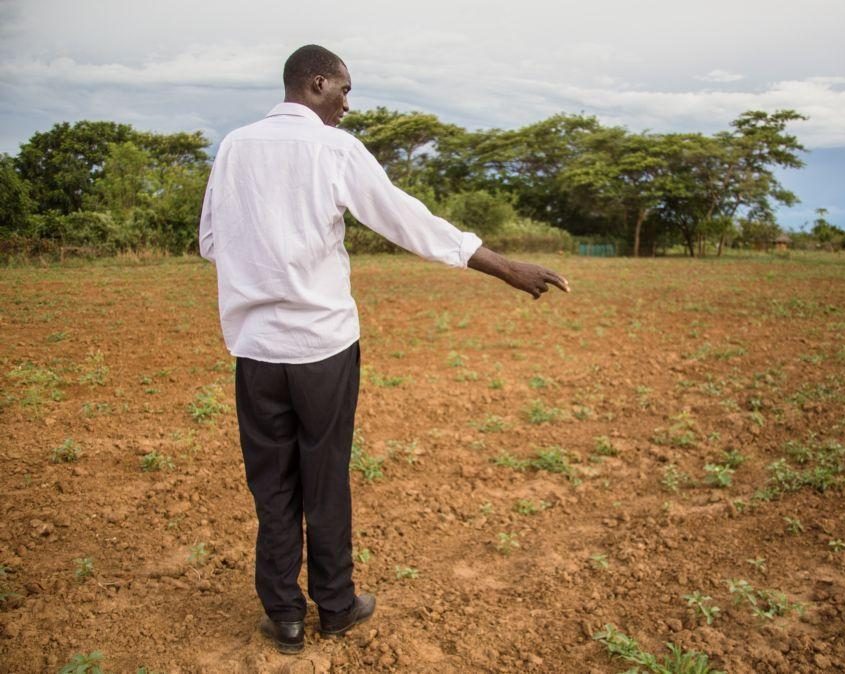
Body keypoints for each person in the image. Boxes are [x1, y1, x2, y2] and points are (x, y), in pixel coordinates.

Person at [198, 44, 569, 655]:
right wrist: (504, 267)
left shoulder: (235, 146)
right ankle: (337, 607)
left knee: (272, 483)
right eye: (344, 89)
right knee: (326, 476)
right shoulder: (335, 149)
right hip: (323, 346)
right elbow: (407, 220)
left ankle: (285, 617)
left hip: (257, 350)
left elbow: (212, 241)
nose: (348, 103)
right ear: (316, 83)